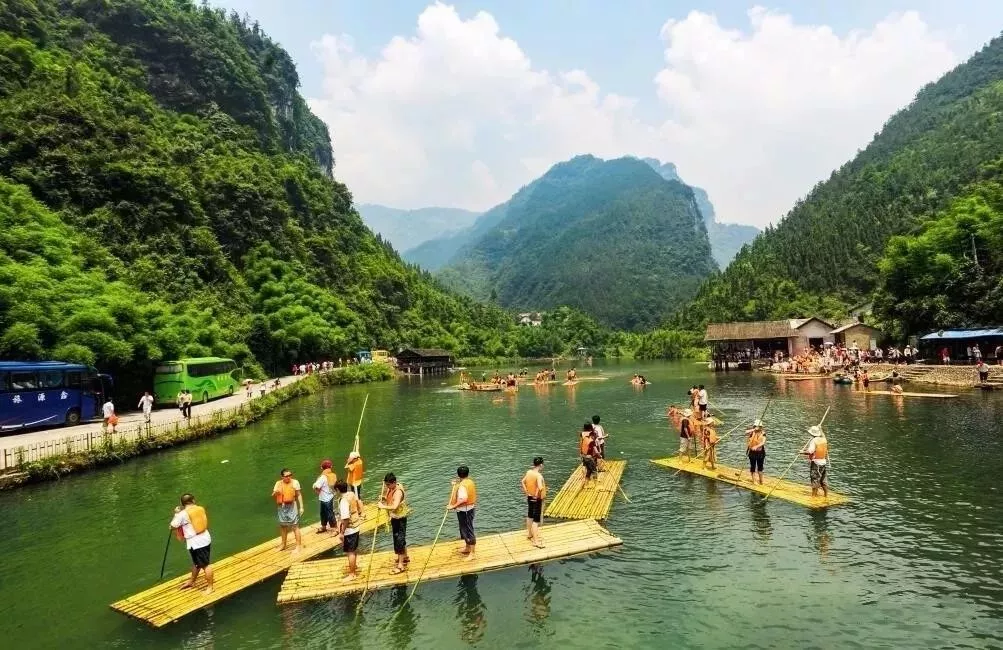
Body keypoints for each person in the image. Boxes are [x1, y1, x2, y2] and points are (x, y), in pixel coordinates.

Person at [170, 493, 214, 594]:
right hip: (205, 538)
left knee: (205, 565)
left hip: (196, 542)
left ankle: (210, 587)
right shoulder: (200, 508)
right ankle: (191, 581)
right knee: (197, 563)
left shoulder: (182, 514)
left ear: (182, 503)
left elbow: (173, 525)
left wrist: (176, 513)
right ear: (193, 500)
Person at [378, 472, 410, 574]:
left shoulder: (398, 491)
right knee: (400, 538)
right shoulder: (392, 488)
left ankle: (400, 566)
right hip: (395, 518)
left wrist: (383, 507)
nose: (387, 487)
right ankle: (405, 557)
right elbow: (391, 499)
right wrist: (384, 498)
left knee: (399, 540)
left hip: (399, 518)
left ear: (394, 482)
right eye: (386, 484)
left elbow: (395, 506)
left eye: (388, 485)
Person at [334, 479, 363, 581]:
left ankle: (352, 574)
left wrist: (342, 532)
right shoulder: (351, 494)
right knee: (353, 549)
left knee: (350, 551)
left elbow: (345, 519)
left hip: (350, 529)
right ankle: (354, 567)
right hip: (356, 525)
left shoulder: (343, 501)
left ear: (337, 490)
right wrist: (361, 513)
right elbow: (359, 503)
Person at [447, 465, 477, 560]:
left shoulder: (462, 486)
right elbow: (462, 487)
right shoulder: (468, 482)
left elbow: (463, 499)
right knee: (463, 529)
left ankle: (472, 553)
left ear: (458, 474)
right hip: (467, 510)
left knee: (468, 530)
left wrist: (452, 506)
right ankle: (467, 548)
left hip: (466, 511)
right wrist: (455, 484)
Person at [272, 468, 304, 552]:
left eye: (290, 475)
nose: (289, 477)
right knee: (283, 526)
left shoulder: (295, 482)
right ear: (282, 477)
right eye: (286, 476)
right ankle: (283, 545)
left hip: (292, 506)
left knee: (295, 526)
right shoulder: (278, 483)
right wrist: (277, 493)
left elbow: (299, 494)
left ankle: (298, 546)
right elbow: (273, 495)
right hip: (281, 507)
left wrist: (301, 507)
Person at [521, 457, 546, 548]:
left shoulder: (529, 472)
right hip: (537, 499)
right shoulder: (539, 476)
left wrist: (527, 492)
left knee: (530, 515)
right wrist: (536, 495)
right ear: (541, 465)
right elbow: (540, 487)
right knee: (536, 520)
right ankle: (536, 541)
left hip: (529, 497)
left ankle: (529, 534)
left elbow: (522, 482)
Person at [801, 425, 829, 498]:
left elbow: (810, 451)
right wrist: (821, 429)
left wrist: (801, 452)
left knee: (815, 479)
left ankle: (814, 496)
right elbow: (823, 435)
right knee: (823, 480)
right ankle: (826, 495)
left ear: (812, 434)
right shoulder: (824, 439)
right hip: (823, 463)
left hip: (816, 464)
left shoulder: (814, 441)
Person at [312, 460, 338, 533]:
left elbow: (316, 485)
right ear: (331, 467)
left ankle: (335, 529)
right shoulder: (333, 475)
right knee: (325, 513)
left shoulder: (323, 477)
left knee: (328, 514)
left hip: (325, 498)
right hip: (330, 496)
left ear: (322, 468)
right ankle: (324, 527)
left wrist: (314, 486)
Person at [746, 419, 766, 484]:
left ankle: (761, 481)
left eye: (759, 427)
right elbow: (745, 432)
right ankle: (754, 480)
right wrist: (754, 430)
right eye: (757, 426)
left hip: (760, 453)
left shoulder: (763, 433)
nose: (758, 428)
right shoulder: (752, 432)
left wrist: (756, 446)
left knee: (760, 467)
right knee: (753, 466)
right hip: (752, 453)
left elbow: (763, 442)